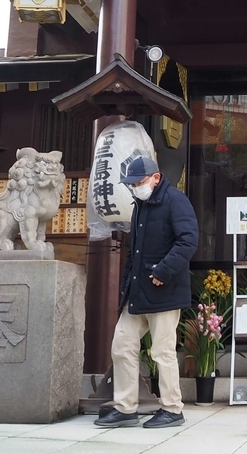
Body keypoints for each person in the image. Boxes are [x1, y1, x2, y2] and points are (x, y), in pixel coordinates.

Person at [95, 155, 198, 429]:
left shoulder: (176, 200)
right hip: (138, 291)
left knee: (162, 351)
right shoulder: (139, 205)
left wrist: (163, 271)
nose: (135, 187)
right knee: (122, 345)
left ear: (156, 177)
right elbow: (134, 252)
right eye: (132, 184)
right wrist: (126, 281)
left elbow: (189, 241)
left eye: (139, 182)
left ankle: (172, 409)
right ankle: (126, 408)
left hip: (165, 291)